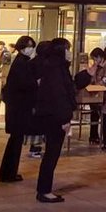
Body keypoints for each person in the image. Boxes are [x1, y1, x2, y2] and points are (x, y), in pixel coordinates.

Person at [33, 38, 75, 203]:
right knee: (52, 153)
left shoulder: (54, 67)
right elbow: (59, 95)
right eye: (67, 49)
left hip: (52, 115)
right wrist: (65, 118)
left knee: (52, 152)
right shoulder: (56, 69)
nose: (69, 52)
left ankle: (44, 189)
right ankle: (44, 190)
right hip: (55, 117)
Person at [0, 36, 38, 183]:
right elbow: (24, 84)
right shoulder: (21, 63)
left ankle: (8, 172)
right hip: (18, 109)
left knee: (15, 141)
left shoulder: (21, 61)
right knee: (15, 142)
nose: (30, 49)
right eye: (28, 46)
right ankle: (9, 173)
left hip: (16, 108)